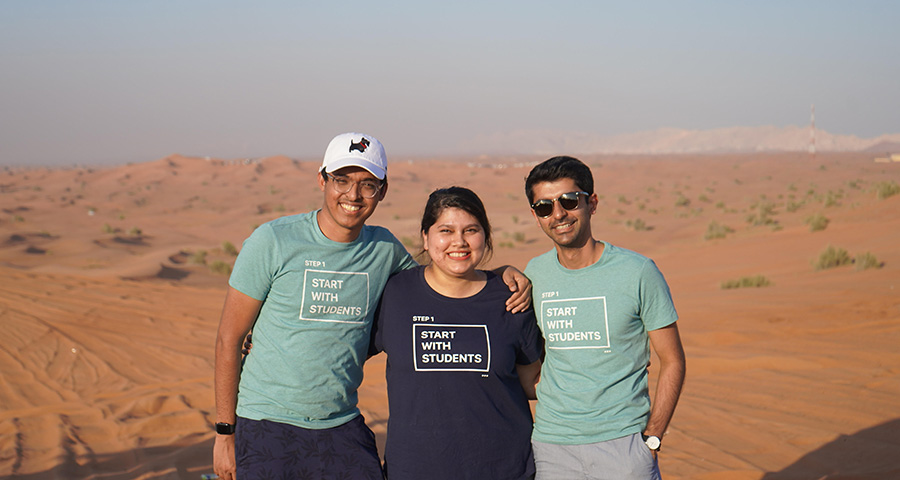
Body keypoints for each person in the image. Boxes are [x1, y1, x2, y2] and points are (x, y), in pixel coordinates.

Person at [213, 133, 532, 480]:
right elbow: (229, 338)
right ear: (322, 179)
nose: (353, 195)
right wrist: (225, 432)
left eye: (367, 184)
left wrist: (497, 275)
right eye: (341, 180)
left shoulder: (385, 250)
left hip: (341, 422)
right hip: (267, 422)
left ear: (382, 190)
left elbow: (442, 279)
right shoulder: (273, 241)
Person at [522, 156, 686, 480]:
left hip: (624, 447)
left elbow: (673, 360)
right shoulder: (534, 274)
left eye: (569, 201)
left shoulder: (638, 272)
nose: (558, 214)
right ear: (535, 215)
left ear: (592, 203)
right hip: (552, 448)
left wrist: (652, 438)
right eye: (544, 207)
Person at [369, 187, 543, 480]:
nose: (459, 242)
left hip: (504, 469)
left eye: (471, 230)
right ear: (425, 237)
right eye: (446, 230)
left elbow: (533, 384)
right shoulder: (396, 293)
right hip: (414, 470)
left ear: (485, 236)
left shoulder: (512, 297)